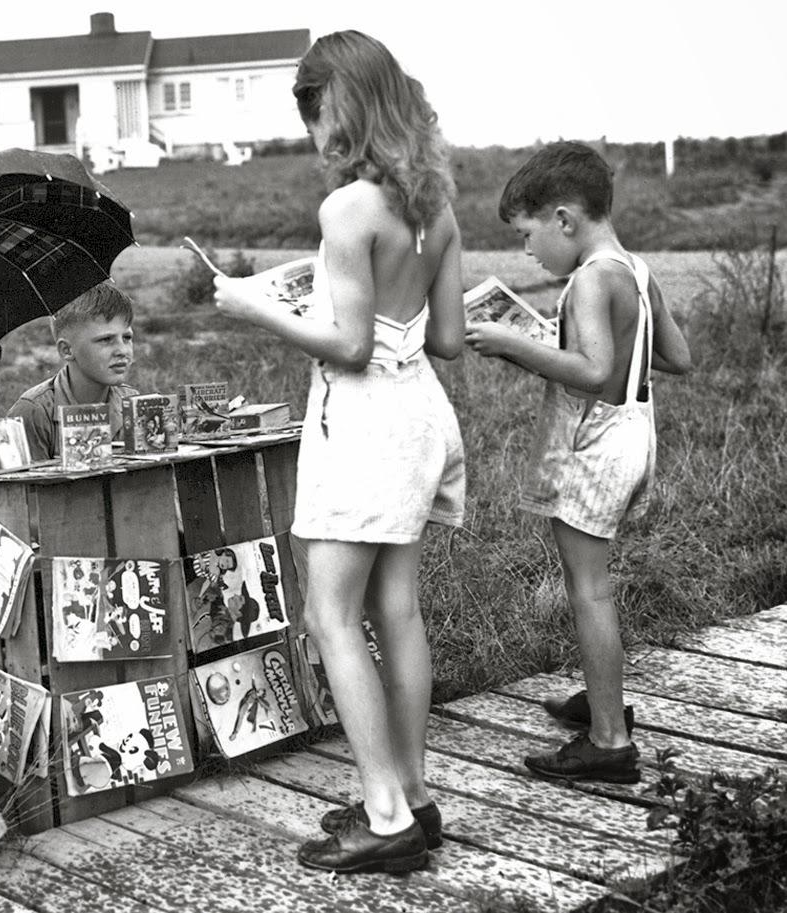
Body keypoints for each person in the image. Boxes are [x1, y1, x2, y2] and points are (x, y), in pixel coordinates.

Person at [213, 30, 466, 874]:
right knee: (396, 609)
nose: (315, 135)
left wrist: (252, 305)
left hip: (360, 423)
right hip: (418, 414)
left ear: (345, 103)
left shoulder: (349, 209)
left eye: (315, 112)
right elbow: (452, 338)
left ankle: (385, 811)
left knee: (329, 613)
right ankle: (414, 792)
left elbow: (349, 345)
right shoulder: (436, 203)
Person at [466, 141, 691, 783]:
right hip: (635, 434)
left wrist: (515, 343)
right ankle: (601, 698)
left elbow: (591, 372)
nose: (528, 252)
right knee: (592, 582)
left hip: (594, 446)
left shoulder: (591, 278)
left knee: (587, 588)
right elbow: (675, 357)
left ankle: (609, 741)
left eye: (528, 235)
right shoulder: (635, 270)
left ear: (564, 219)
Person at [6, 281, 138, 460]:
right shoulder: (33, 413)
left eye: (127, 337)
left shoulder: (132, 402)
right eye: (106, 340)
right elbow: (22, 487)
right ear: (67, 350)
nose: (122, 351)